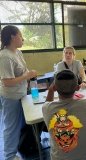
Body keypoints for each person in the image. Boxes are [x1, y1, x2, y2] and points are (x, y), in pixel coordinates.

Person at [42, 70, 86, 160]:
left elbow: (48, 103)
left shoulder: (46, 108)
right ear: (77, 88)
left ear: (55, 88)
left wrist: (50, 90)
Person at [0, 25, 37, 160]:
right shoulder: (5, 56)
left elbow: (22, 72)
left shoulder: (18, 52)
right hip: (11, 97)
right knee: (11, 126)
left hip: (22, 93)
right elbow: (7, 82)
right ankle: (9, 156)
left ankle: (21, 147)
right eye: (21, 36)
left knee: (22, 124)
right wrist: (27, 76)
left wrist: (30, 75)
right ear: (13, 37)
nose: (23, 39)